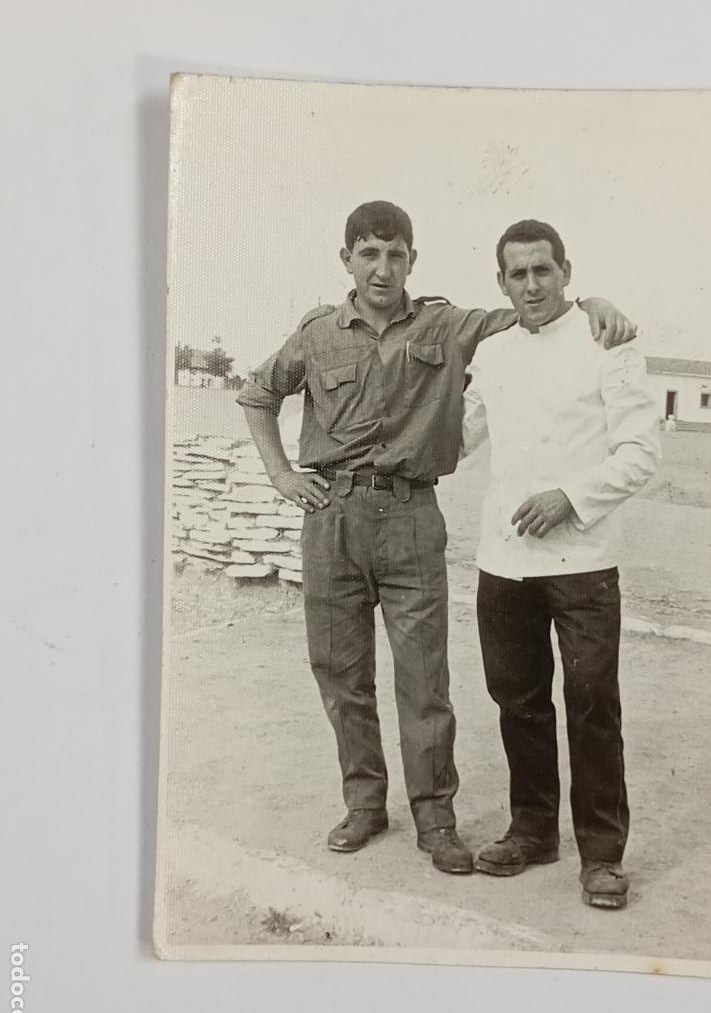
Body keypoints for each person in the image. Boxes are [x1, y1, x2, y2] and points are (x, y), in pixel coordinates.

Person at [237, 201, 637, 875]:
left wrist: (593, 299)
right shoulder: (316, 334)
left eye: (396, 255)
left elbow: (536, 308)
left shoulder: (446, 325)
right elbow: (256, 394)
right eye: (369, 254)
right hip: (331, 517)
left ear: (413, 261)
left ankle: (436, 819)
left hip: (411, 518)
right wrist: (281, 472)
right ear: (347, 261)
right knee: (341, 673)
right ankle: (365, 804)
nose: (383, 268)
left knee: (425, 679)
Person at [462, 218, 661, 908]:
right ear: (501, 283)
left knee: (591, 705)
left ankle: (602, 856)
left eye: (542, 270)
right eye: (517, 274)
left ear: (566, 272)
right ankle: (532, 831)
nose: (531, 284)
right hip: (504, 560)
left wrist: (570, 498)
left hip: (582, 560)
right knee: (517, 702)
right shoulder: (491, 352)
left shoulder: (609, 342)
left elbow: (640, 452)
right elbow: (458, 440)